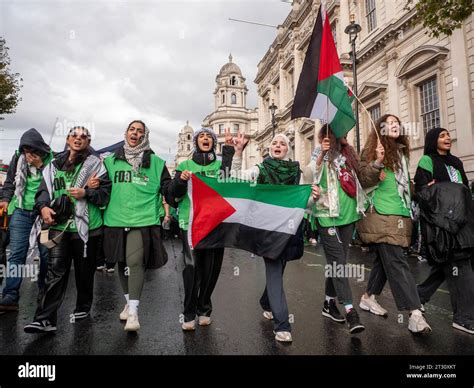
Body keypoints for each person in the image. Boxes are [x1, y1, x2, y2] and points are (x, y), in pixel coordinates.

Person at [230, 131, 319, 343]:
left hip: (289, 229)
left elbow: (303, 204)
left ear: (288, 149)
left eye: (282, 143)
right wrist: (239, 152)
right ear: (270, 148)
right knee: (275, 270)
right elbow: (235, 178)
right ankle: (282, 325)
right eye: (274, 143)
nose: (278, 145)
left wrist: (313, 198)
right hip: (268, 230)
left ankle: (267, 302)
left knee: (278, 269)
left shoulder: (297, 171)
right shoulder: (260, 168)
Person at [24, 126, 111, 333]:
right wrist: (44, 208)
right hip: (59, 227)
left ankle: (82, 307)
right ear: (68, 139)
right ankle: (45, 319)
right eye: (74, 135)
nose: (78, 139)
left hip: (88, 229)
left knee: (84, 273)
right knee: (55, 273)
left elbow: (105, 196)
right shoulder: (53, 166)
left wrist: (87, 193)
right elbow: (42, 193)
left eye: (83, 137)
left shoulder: (97, 166)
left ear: (88, 142)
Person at [357, 114, 431, 334]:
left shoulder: (401, 154)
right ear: (380, 129)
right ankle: (414, 313)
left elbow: (405, 186)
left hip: (401, 213)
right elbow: (362, 179)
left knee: (384, 259)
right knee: (398, 262)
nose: (394, 125)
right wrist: (377, 162)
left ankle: (368, 297)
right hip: (381, 213)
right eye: (389, 124)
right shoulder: (371, 151)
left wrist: (427, 189)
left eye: (397, 123)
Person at [102, 120, 171, 332]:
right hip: (114, 219)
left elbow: (169, 189)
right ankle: (127, 302)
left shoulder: (157, 162)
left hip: (142, 220)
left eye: (140, 131)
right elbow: (102, 187)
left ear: (145, 136)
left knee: (134, 262)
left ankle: (134, 313)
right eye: (132, 129)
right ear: (126, 133)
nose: (136, 133)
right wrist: (93, 187)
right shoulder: (110, 161)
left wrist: (181, 183)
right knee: (120, 263)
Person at [168, 127, 234, 331]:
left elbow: (228, 183)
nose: (205, 139)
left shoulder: (219, 164)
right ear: (196, 142)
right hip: (191, 223)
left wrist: (230, 150)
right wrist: (181, 180)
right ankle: (188, 313)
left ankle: (204, 308)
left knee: (211, 270)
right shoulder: (185, 164)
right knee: (192, 268)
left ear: (214, 143)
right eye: (201, 137)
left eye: (209, 137)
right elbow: (172, 195)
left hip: (216, 224)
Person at [304, 125, 366, 334]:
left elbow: (361, 177)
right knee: (339, 262)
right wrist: (322, 152)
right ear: (326, 135)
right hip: (326, 215)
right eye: (340, 133)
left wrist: (352, 151)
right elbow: (309, 173)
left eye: (346, 134)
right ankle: (350, 311)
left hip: (348, 214)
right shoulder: (319, 151)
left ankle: (329, 303)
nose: (344, 136)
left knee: (336, 262)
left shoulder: (346, 154)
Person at [414, 127, 474, 334]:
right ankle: (464, 318)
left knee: (448, 264)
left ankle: (418, 297)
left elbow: (464, 189)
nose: (447, 138)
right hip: (442, 222)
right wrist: (437, 190)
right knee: (461, 265)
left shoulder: (457, 162)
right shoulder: (427, 161)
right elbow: (422, 191)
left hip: (461, 219)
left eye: (448, 135)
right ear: (433, 140)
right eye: (442, 135)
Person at [0, 129, 53, 311]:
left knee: (46, 255)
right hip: (21, 210)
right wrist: (6, 200)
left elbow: (55, 182)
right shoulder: (18, 158)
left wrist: (39, 166)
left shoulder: (52, 160)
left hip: (44, 211)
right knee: (16, 254)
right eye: (25, 150)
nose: (28, 154)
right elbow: (10, 182)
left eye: (32, 149)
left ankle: (44, 291)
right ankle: (10, 295)